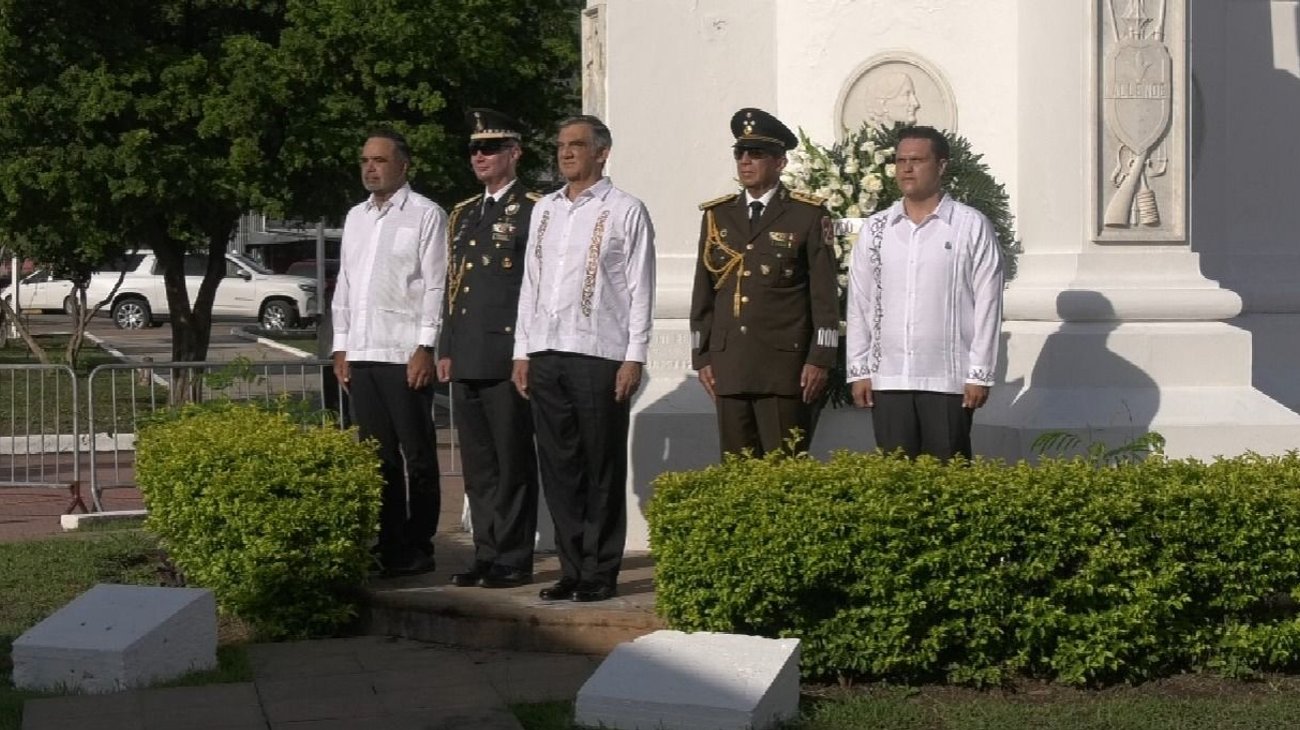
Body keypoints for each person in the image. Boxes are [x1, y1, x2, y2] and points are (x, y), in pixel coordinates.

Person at [511, 115, 655, 603]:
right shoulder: (545, 210)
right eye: (560, 146)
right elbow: (530, 283)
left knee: (601, 465)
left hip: (599, 353)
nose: (566, 153)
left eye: (576, 145)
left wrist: (634, 356)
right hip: (547, 351)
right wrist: (522, 351)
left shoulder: (625, 209)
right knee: (559, 465)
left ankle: (600, 568)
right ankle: (571, 567)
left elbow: (640, 287)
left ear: (602, 152)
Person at [844, 125, 1003, 460]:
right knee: (896, 484)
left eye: (916, 160)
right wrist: (859, 369)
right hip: (889, 379)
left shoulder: (971, 226)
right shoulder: (876, 230)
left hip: (948, 381)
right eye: (901, 160)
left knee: (949, 481)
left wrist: (980, 373)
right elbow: (860, 303)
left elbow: (988, 303)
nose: (906, 168)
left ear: (941, 165)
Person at [689, 108, 840, 457]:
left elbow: (824, 298)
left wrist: (820, 358)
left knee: (783, 469)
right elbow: (704, 292)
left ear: (780, 162)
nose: (745, 161)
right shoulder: (718, 215)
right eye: (740, 154)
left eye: (756, 154)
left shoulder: (807, 215)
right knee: (737, 472)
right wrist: (702, 356)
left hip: (783, 369)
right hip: (730, 366)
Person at [332, 128, 448, 576]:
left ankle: (419, 543)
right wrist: (341, 345)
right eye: (364, 160)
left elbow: (435, 284)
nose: (370, 167)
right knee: (376, 454)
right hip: (362, 351)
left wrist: (425, 345)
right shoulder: (356, 217)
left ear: (403, 165)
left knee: (416, 453)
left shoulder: (425, 214)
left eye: (379, 160)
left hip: (403, 351)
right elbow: (345, 282)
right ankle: (389, 540)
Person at [438, 109, 541, 589]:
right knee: (478, 467)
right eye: (475, 149)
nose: (479, 156)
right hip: (467, 353)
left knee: (511, 461)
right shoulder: (463, 213)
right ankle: (486, 552)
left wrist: (527, 351)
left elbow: (536, 287)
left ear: (513, 153)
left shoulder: (535, 208)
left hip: (507, 355)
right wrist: (446, 345)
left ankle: (513, 557)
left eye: (490, 148)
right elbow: (452, 286)